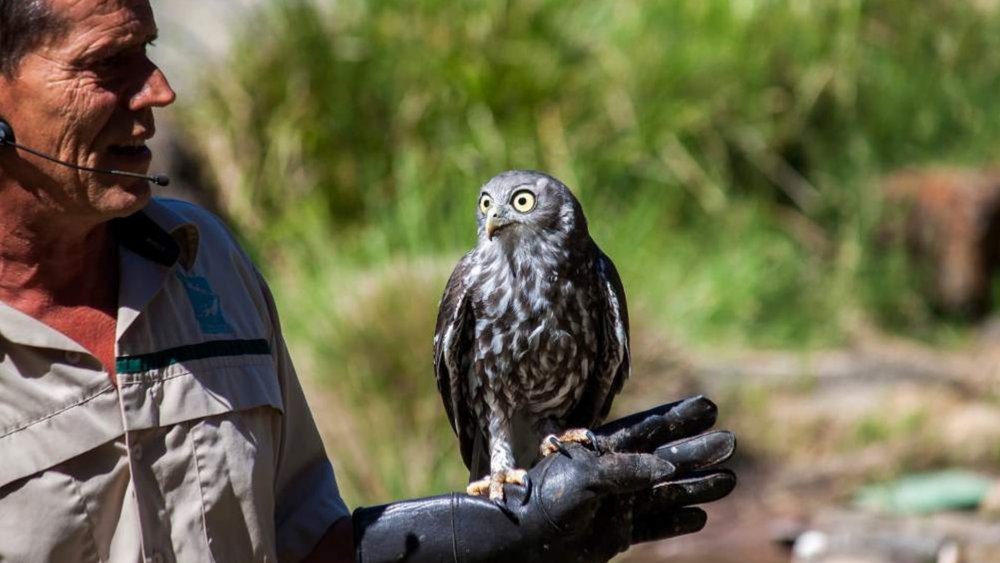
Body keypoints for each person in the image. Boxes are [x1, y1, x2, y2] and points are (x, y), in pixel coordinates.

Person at [0, 0, 737, 561]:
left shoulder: (206, 262)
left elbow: (305, 540)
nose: (159, 91)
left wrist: (500, 536)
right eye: (108, 63)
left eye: (151, 54)